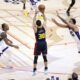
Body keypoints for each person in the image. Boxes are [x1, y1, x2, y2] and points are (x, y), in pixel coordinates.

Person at [32, 10, 48, 75]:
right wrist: (43, 13)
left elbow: (33, 22)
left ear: (36, 24)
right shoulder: (44, 27)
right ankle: (46, 67)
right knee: (44, 56)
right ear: (41, 23)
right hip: (44, 43)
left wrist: (35, 14)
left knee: (36, 57)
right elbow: (45, 19)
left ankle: (34, 69)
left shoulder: (35, 29)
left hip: (38, 44)